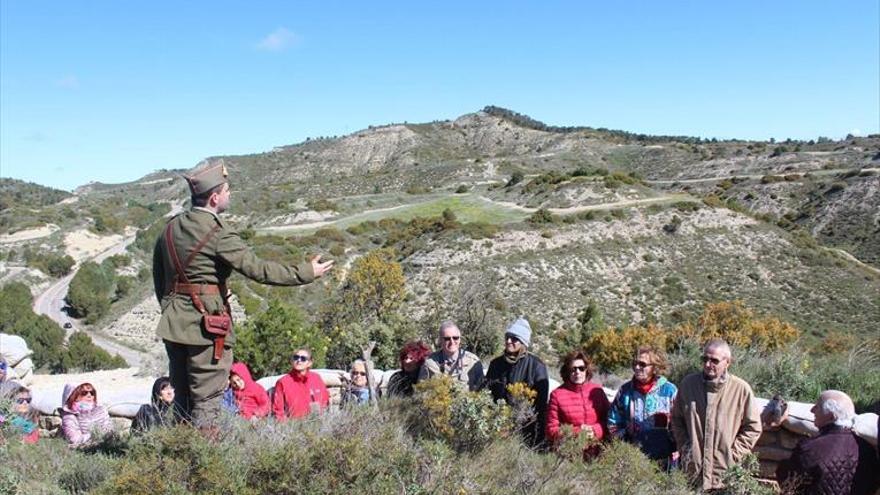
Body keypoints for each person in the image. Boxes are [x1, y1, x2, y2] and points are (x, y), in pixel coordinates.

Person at [152, 162, 333, 426]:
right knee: (207, 400)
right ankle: (204, 463)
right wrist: (306, 272)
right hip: (207, 328)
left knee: (183, 400)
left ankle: (179, 456)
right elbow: (259, 269)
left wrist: (171, 310)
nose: (230, 194)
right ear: (215, 197)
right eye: (227, 190)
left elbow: (159, 278)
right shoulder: (217, 233)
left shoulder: (169, 229)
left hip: (173, 325)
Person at [671, 339, 761, 491]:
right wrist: (685, 448)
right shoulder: (688, 385)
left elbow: (753, 427)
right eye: (705, 359)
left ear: (727, 362)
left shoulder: (741, 390)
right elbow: (677, 419)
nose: (707, 364)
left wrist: (733, 454)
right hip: (693, 474)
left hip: (725, 477)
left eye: (714, 360)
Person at [778, 390, 879, 495]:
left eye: (817, 407)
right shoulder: (868, 450)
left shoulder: (810, 448)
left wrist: (784, 464)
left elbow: (788, 481)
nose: (812, 410)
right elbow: (873, 484)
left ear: (831, 416)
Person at [482, 317, 549, 449]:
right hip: (497, 430)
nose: (508, 341)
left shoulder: (536, 366)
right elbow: (487, 396)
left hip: (527, 435)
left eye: (514, 339)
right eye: (507, 337)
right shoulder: (495, 364)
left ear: (523, 342)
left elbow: (540, 407)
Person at [608, 346, 678, 468]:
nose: (637, 367)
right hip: (633, 459)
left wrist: (672, 439)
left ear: (654, 367)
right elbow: (612, 424)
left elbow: (681, 425)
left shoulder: (669, 391)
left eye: (642, 364)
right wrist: (625, 433)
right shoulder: (625, 392)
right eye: (634, 363)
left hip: (664, 460)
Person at [546, 350, 610, 459]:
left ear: (587, 370)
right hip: (569, 456)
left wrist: (596, 430)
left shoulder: (597, 391)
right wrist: (577, 432)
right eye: (573, 369)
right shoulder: (557, 395)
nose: (577, 372)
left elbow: (610, 421)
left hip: (598, 456)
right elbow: (551, 429)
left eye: (581, 368)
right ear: (567, 371)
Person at [419, 321, 484, 391]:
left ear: (460, 339)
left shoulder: (473, 361)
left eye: (455, 338)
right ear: (440, 340)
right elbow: (421, 392)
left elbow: (482, 391)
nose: (452, 342)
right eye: (447, 339)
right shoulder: (429, 364)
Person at [272, 348, 330, 420]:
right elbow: (278, 410)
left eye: (303, 358)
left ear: (310, 363)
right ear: (292, 360)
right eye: (296, 357)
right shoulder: (283, 382)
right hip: (293, 426)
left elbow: (325, 401)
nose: (299, 360)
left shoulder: (316, 378)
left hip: (317, 424)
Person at [60, 382, 112, 447]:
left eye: (92, 393)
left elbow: (109, 430)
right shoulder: (69, 416)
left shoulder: (101, 410)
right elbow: (75, 439)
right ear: (74, 396)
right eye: (84, 393)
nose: (89, 395)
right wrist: (96, 435)